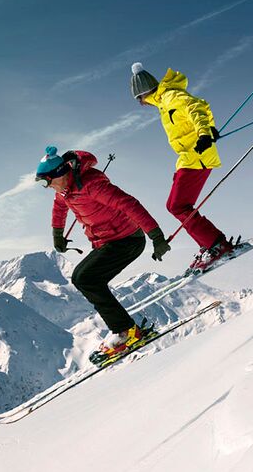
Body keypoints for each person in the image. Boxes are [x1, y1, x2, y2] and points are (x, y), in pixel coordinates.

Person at [37, 146, 171, 363]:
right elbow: (59, 209)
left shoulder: (91, 185)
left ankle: (126, 331)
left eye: (47, 181)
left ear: (61, 173)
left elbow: (129, 204)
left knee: (86, 278)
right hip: (107, 242)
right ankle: (124, 328)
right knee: (85, 278)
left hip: (127, 240)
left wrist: (156, 235)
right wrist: (58, 236)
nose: (47, 186)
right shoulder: (64, 191)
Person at [130, 62, 237, 271]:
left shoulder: (170, 97)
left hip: (198, 156)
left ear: (143, 94)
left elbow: (196, 107)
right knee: (173, 205)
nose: (141, 104)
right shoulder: (164, 101)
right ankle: (209, 245)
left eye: (139, 99)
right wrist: (209, 128)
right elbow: (202, 108)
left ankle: (217, 245)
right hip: (189, 157)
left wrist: (205, 133)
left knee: (178, 206)